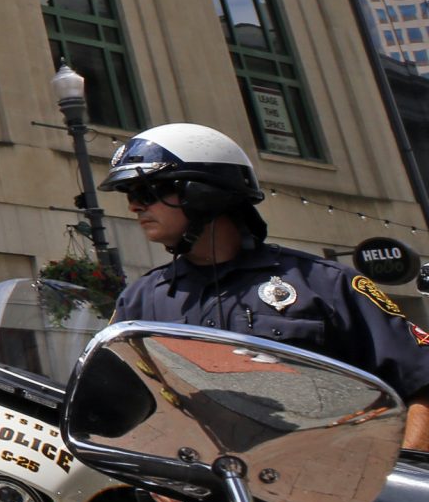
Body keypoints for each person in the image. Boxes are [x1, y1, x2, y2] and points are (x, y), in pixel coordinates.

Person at [100, 123, 429, 452]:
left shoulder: (325, 283)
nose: (134, 206)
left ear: (203, 191)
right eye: (130, 196)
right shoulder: (141, 300)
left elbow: (421, 382)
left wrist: (400, 488)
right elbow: (121, 405)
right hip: (203, 494)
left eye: (146, 192)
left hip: (320, 491)